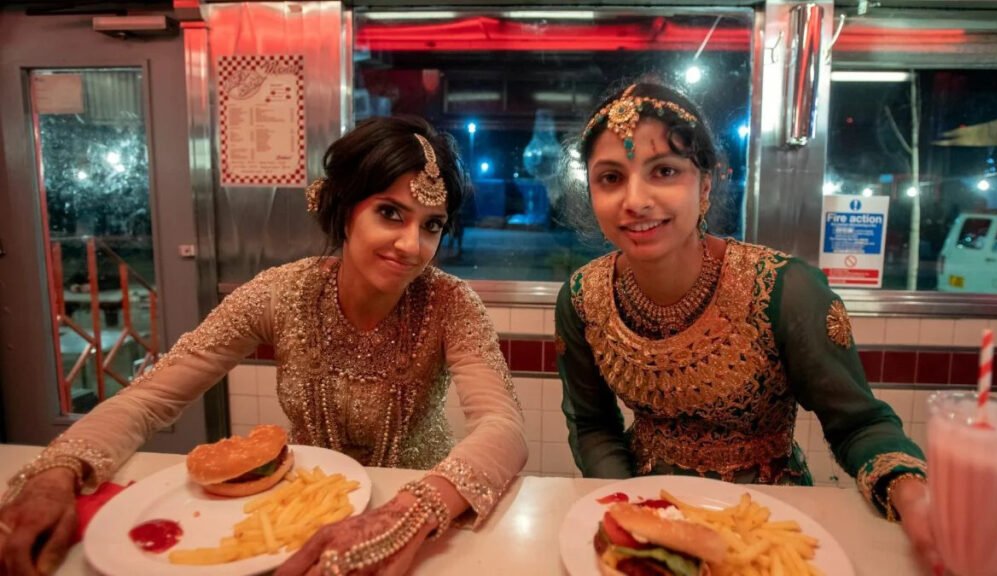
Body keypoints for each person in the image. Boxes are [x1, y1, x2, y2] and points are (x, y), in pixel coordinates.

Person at [0, 116, 527, 576]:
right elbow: (148, 399)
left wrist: (410, 512)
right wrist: (57, 471)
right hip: (292, 515)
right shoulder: (280, 294)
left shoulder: (449, 303)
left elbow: (502, 428)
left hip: (417, 512)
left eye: (431, 225)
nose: (412, 245)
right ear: (344, 211)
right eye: (390, 213)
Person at [554, 81, 937, 569]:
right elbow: (593, 426)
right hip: (648, 513)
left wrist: (912, 493)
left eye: (665, 171)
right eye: (611, 178)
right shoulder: (582, 298)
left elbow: (859, 424)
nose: (635, 200)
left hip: (768, 528)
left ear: (706, 185)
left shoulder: (786, 290)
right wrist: (632, 514)